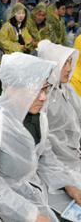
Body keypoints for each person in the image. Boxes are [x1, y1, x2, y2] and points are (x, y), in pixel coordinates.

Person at [0, 52, 81, 222]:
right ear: (12, 89)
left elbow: (45, 156)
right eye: (37, 90)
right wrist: (29, 215)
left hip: (34, 188)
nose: (43, 97)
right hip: (4, 204)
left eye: (46, 88)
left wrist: (68, 184)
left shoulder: (37, 116)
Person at [38, 40, 81, 184]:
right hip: (62, 160)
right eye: (64, 64)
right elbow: (45, 144)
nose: (69, 69)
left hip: (75, 151)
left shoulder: (66, 88)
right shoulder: (42, 97)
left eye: (70, 62)